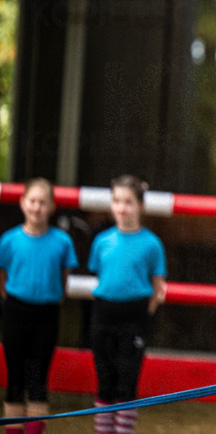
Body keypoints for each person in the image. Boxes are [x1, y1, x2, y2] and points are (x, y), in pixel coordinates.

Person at [87, 175, 167, 434]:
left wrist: (144, 315)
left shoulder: (152, 244)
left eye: (129, 202)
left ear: (140, 206)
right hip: (103, 314)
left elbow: (157, 285)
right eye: (117, 201)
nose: (122, 208)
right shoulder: (102, 241)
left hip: (135, 316)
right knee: (105, 380)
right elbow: (100, 274)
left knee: (127, 381)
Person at [0, 178, 79, 434]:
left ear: (52, 207)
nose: (37, 207)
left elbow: (64, 275)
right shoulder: (9, 240)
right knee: (14, 379)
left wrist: (55, 295)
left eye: (43, 202)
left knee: (38, 379)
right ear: (23, 203)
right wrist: (10, 296)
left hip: (46, 313)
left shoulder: (62, 241)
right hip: (15, 311)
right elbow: (2, 274)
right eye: (32, 201)